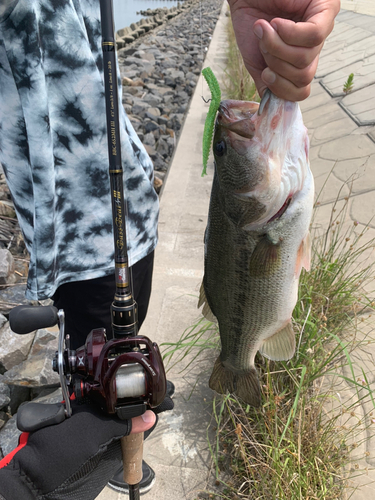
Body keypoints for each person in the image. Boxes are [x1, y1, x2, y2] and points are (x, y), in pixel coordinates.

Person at [0, 0, 339, 497]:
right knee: (101, 368)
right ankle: (98, 416)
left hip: (130, 208)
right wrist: (25, 483)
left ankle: (113, 408)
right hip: (73, 225)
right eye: (225, 150)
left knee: (122, 346)